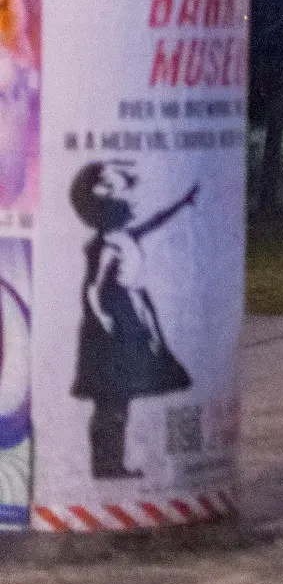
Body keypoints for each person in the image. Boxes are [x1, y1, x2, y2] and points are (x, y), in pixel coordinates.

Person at [68, 162, 195, 479]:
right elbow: (94, 288)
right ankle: (106, 465)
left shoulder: (124, 237)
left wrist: (182, 203)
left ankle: (112, 464)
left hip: (130, 313)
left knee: (119, 397)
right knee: (111, 397)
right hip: (114, 318)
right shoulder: (108, 246)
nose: (132, 201)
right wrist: (104, 319)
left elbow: (154, 222)